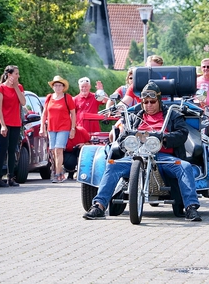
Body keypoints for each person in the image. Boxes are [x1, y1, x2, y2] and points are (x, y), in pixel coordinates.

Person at [83, 82, 202, 221]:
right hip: (136, 156)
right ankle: (99, 206)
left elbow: (182, 133)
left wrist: (164, 138)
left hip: (163, 158)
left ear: (158, 100)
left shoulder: (172, 115)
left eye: (152, 101)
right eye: (145, 102)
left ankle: (191, 207)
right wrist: (128, 144)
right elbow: (121, 139)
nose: (149, 105)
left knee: (185, 166)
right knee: (112, 165)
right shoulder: (134, 117)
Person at [0, 65, 26, 187]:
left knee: (12, 150)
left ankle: (10, 177)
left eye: (18, 74)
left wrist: (16, 87)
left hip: (15, 122)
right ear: (9, 75)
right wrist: (2, 125)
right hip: (2, 122)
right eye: (16, 73)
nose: (18, 76)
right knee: (3, 149)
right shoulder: (0, 89)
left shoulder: (19, 87)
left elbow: (23, 102)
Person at [40, 76, 76, 183]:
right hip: (51, 127)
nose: (58, 87)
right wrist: (42, 127)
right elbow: (44, 113)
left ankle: (56, 174)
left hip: (63, 127)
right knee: (53, 151)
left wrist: (72, 128)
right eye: (56, 85)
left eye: (60, 85)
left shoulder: (67, 97)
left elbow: (73, 114)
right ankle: (60, 172)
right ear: (53, 87)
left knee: (58, 150)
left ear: (63, 87)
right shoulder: (49, 97)